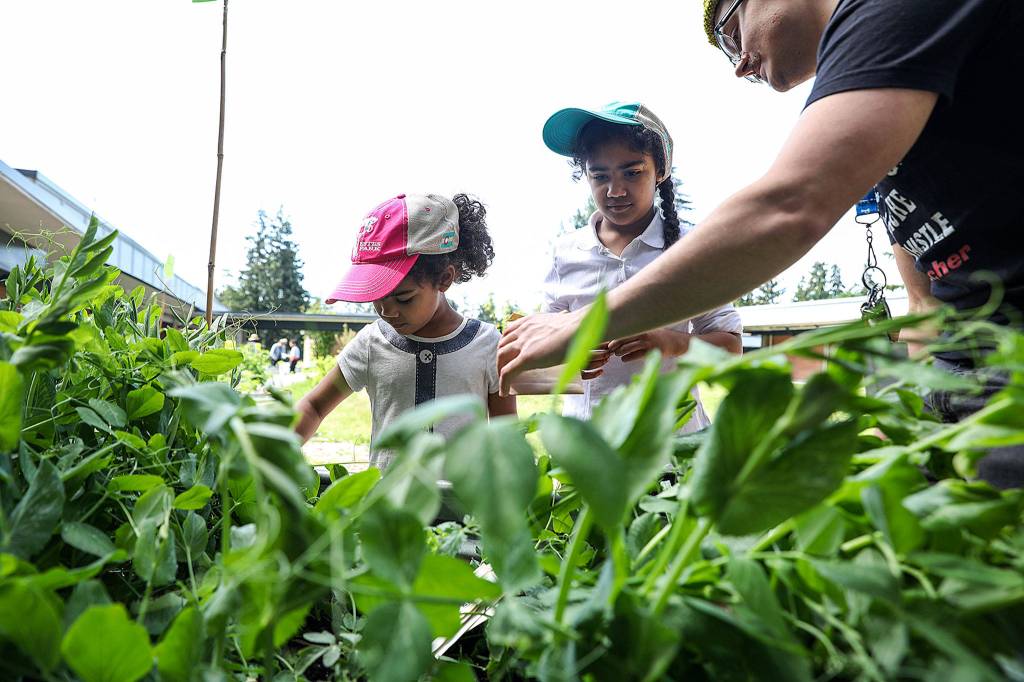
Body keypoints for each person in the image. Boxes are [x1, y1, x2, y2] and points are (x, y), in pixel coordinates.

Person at [498, 0, 1023, 488]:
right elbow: (923, 304)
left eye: (731, 33)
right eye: (598, 175)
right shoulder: (887, 94)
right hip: (971, 374)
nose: (740, 65)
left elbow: (789, 206)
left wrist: (586, 323)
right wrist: (916, 423)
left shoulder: (896, 11)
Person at [540, 102, 742, 429]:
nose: (615, 191)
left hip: (673, 446)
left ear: (660, 172)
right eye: (599, 176)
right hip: (590, 446)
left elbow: (731, 349)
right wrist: (570, 355)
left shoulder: (691, 249)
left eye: (633, 173)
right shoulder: (566, 252)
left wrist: (671, 343)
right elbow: (544, 345)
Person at [295, 193, 516, 470]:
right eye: (377, 297)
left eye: (404, 298)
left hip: (467, 512)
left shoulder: (487, 346)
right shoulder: (371, 344)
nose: (387, 312)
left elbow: (507, 438)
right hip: (388, 509)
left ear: (445, 278)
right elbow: (314, 406)